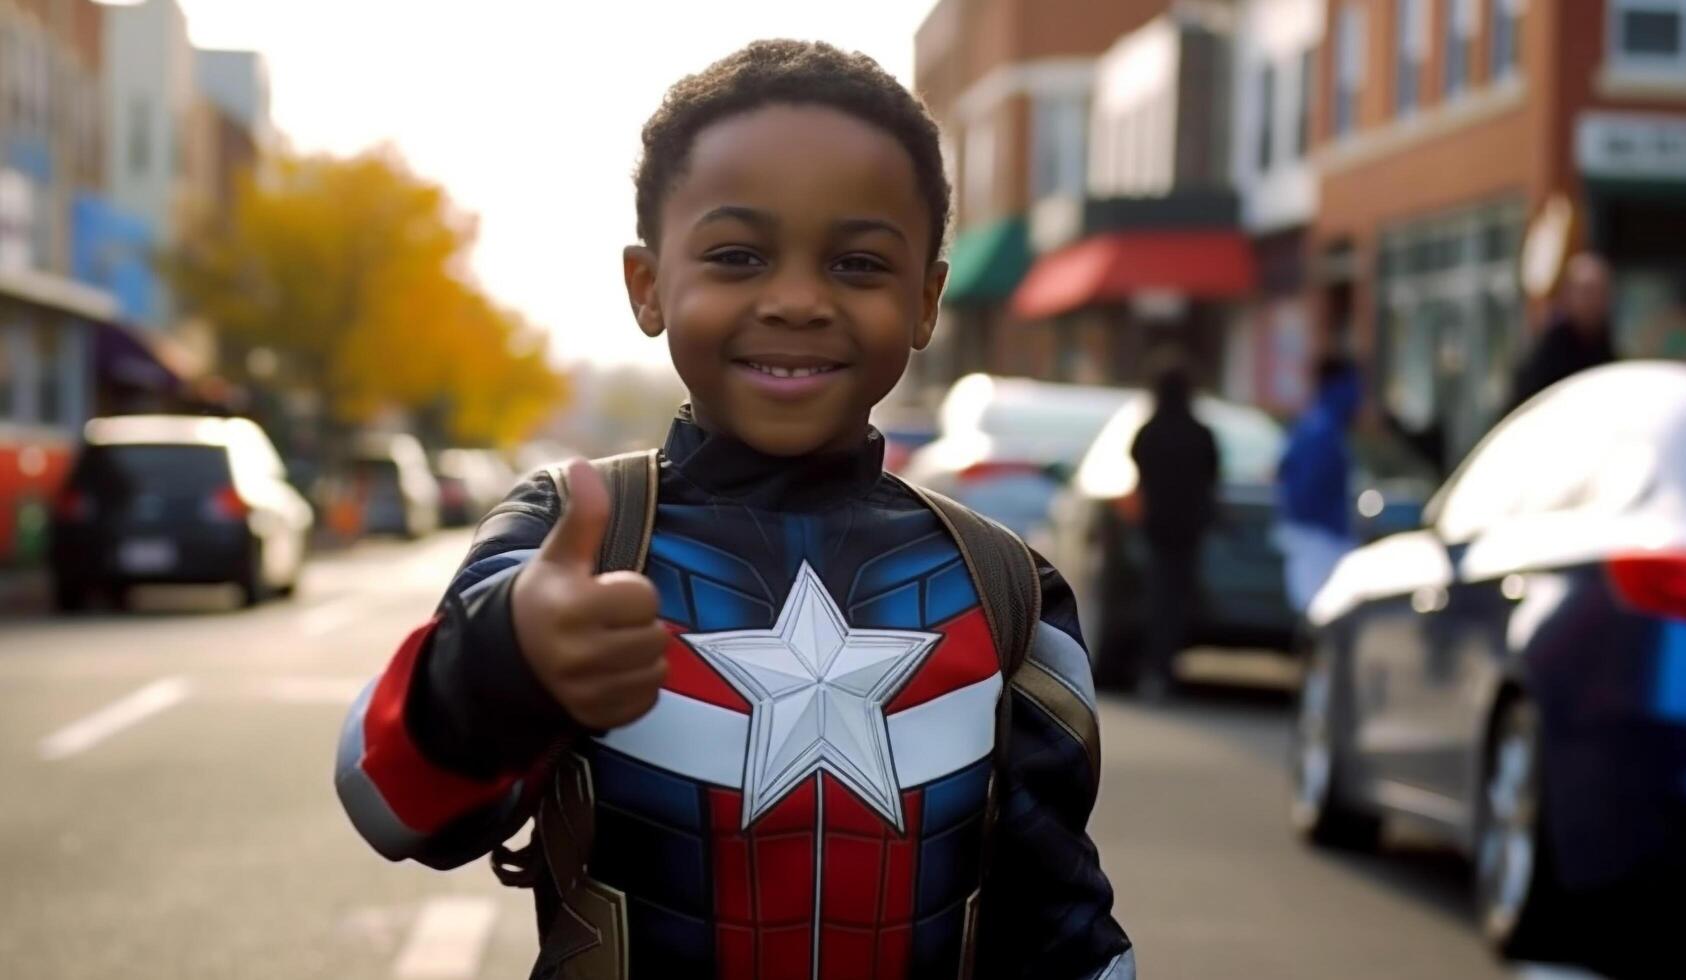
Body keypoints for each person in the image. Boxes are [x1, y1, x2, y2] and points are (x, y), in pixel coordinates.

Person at [334, 41, 1133, 980]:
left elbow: (1060, 925)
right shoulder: (570, 541)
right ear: (647, 284)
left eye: (857, 264)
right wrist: (502, 656)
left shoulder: (1004, 590)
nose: (796, 300)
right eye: (737, 255)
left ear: (925, 301)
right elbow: (391, 807)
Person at [1126, 359, 1219, 699]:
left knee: (1157, 599)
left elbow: (1138, 471)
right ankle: (1168, 665)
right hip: (1189, 530)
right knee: (1178, 600)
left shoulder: (1149, 433)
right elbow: (1212, 478)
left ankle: (1156, 667)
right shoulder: (1201, 434)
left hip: (1157, 529)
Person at [1275, 357, 1362, 617]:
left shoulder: (1318, 426)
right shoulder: (1319, 430)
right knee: (1322, 616)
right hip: (1318, 540)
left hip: (1317, 538)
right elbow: (1303, 492)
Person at [1509, 252, 1616, 410]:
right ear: (1567, 295)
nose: (1592, 301)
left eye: (1599, 292)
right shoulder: (1548, 355)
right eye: (1586, 292)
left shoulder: (1605, 345)